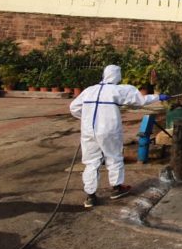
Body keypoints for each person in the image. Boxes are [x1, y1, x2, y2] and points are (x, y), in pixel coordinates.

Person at [70, 65, 169, 208]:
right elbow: (140, 100)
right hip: (108, 130)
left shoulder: (89, 90)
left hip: (88, 131)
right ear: (116, 75)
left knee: (91, 161)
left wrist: (86, 118)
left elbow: (73, 107)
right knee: (114, 156)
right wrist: (158, 97)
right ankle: (117, 188)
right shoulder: (118, 90)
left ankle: (90, 196)